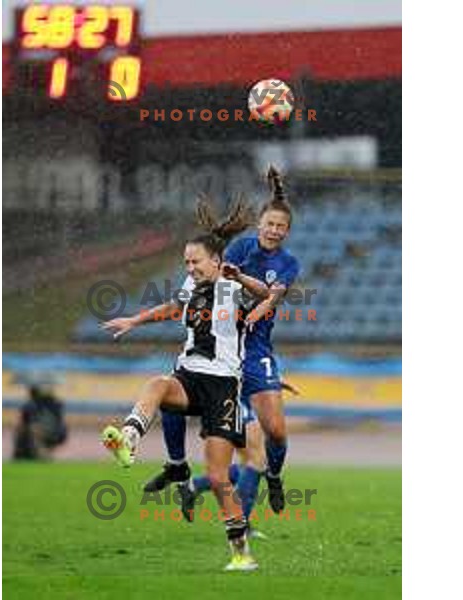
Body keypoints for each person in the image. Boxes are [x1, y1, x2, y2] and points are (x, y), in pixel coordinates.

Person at [101, 198, 268, 572]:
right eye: (186, 262)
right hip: (190, 376)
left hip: (223, 386)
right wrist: (135, 320)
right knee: (157, 384)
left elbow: (266, 294)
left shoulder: (232, 285)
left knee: (219, 477)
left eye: (195, 262)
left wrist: (239, 276)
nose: (189, 267)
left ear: (215, 260)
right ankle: (128, 440)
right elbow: (171, 308)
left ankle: (240, 552)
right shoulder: (190, 286)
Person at [145, 166, 301, 527]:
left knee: (274, 434)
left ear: (287, 232)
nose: (274, 231)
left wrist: (247, 302)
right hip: (225, 353)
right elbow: (208, 275)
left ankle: (269, 480)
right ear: (259, 225)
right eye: (269, 225)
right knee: (246, 449)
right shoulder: (239, 248)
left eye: (281, 227)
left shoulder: (288, 264)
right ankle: (183, 473)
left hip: (257, 350)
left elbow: (268, 301)